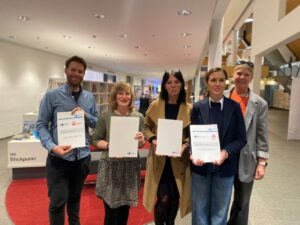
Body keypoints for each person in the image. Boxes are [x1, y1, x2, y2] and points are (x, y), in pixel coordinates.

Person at [36, 55, 98, 225]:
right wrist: (52, 147)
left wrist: (86, 115)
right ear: (66, 71)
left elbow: (98, 123)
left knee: (75, 201)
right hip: (59, 160)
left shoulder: (89, 98)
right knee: (57, 203)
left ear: (84, 74)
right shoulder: (52, 96)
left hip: (82, 159)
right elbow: (41, 125)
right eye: (73, 70)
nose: (76, 74)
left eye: (80, 71)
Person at [190, 67, 247, 225]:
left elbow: (242, 139)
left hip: (225, 167)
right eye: (213, 80)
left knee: (220, 213)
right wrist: (193, 153)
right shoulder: (197, 107)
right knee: (199, 211)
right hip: (201, 167)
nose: (217, 83)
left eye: (221, 80)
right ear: (207, 83)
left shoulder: (234, 107)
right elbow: (192, 136)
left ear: (226, 83)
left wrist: (226, 152)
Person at [92, 81, 145, 225]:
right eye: (120, 93)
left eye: (127, 93)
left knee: (124, 210)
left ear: (131, 96)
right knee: (110, 212)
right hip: (111, 167)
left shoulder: (138, 116)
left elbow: (140, 143)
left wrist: (141, 140)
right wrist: (111, 145)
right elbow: (96, 139)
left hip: (129, 167)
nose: (124, 96)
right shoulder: (105, 116)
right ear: (115, 96)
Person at [143, 71, 192, 225]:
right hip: (160, 160)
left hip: (179, 161)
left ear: (181, 85)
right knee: (163, 198)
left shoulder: (189, 108)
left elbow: (192, 133)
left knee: (175, 197)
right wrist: (153, 139)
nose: (173, 85)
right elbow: (145, 126)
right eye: (169, 82)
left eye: (176, 82)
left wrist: (185, 144)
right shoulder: (156, 105)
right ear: (164, 85)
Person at [226, 62, 269, 225]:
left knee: (242, 203)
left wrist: (262, 163)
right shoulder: (221, 96)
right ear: (233, 75)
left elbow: (262, 135)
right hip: (223, 157)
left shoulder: (260, 104)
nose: (242, 77)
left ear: (251, 77)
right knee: (220, 199)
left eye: (246, 74)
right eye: (238, 73)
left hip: (246, 159)